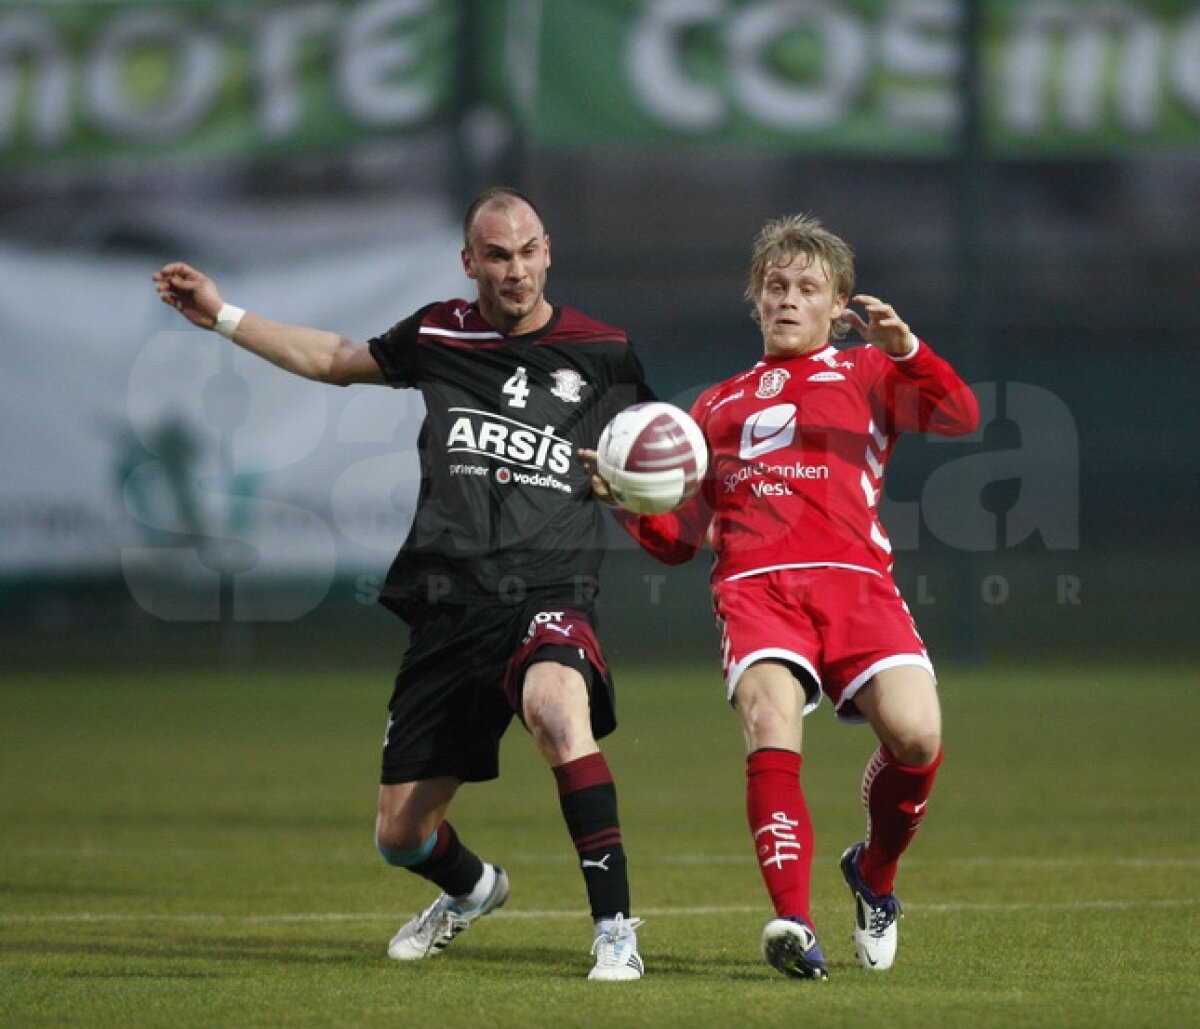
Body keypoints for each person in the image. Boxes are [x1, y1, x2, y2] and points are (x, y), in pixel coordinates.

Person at [152, 187, 654, 981]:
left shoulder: (603, 350)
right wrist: (221, 314)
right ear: (470, 263)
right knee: (401, 835)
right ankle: (473, 888)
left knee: (559, 711)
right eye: (497, 255)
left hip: (549, 590)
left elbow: (657, 460)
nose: (516, 269)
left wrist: (630, 486)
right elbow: (331, 358)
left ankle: (616, 930)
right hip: (451, 608)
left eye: (528, 251)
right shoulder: (437, 331)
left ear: (548, 249)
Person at [590, 213, 979, 980]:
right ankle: (793, 921)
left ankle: (874, 873)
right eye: (775, 285)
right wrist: (629, 501)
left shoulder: (868, 373)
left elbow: (961, 414)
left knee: (918, 737)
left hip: (858, 584)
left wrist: (908, 350)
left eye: (808, 287)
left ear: (839, 305)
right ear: (756, 298)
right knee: (770, 722)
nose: (788, 299)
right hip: (754, 588)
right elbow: (680, 538)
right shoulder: (713, 408)